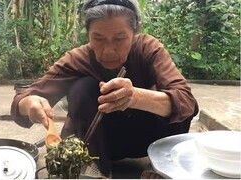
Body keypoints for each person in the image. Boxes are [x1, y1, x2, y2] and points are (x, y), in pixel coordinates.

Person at [11, 0, 199, 178]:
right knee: (81, 87)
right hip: (100, 144)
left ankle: (159, 163)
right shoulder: (78, 59)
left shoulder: (148, 49)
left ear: (135, 33)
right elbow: (24, 100)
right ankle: (98, 170)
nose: (108, 50)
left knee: (172, 100)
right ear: (88, 34)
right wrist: (29, 104)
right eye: (98, 38)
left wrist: (135, 97)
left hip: (148, 139)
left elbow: (186, 101)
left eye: (120, 38)